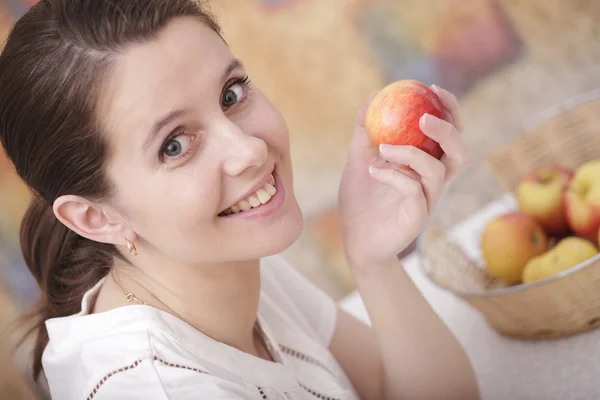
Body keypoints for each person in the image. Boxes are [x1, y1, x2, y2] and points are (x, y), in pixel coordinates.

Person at [0, 0, 479, 399]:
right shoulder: (160, 389)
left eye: (231, 94)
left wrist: (373, 261)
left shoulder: (223, 262)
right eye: (174, 144)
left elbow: (390, 388)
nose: (248, 149)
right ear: (96, 217)